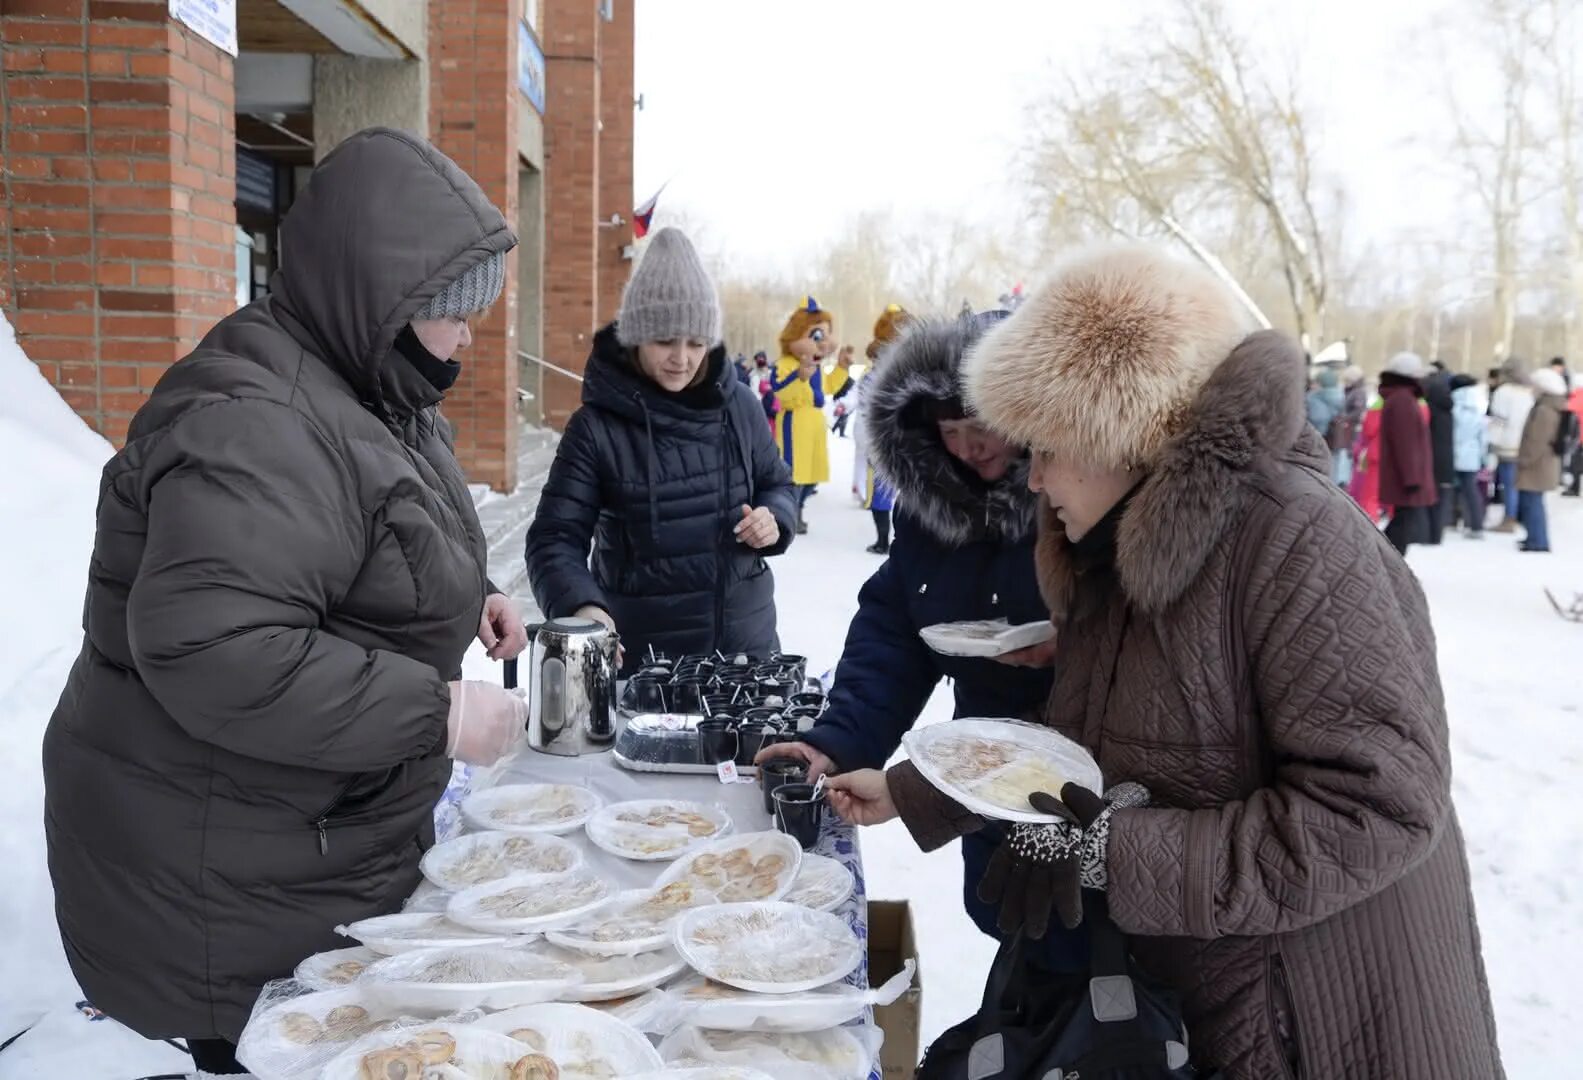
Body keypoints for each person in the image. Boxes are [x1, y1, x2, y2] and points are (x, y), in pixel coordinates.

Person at [826, 243, 1503, 1080]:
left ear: (1121, 432)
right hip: (1197, 1004)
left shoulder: (1297, 541)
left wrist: (1111, 848)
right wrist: (915, 791)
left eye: (1048, 447)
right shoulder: (1114, 544)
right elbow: (1081, 732)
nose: (1031, 479)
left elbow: (1377, 813)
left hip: (1318, 1019)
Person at [41, 129, 533, 1074]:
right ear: (379, 302)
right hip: (220, 860)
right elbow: (216, 648)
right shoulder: (257, 424)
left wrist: (470, 593)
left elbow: (364, 534)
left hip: (297, 827)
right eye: (450, 314)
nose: (467, 336)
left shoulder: (367, 385)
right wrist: (439, 711)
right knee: (263, 1056)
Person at [754, 311, 1077, 965]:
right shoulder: (933, 504)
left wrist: (1065, 652)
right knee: (1014, 940)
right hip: (980, 778)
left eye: (980, 425)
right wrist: (838, 741)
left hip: (1086, 789)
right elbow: (895, 632)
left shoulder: (1078, 498)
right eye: (948, 432)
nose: (966, 448)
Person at [524, 228, 797, 668]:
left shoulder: (740, 406)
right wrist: (583, 609)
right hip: (645, 664)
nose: (682, 358)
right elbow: (553, 540)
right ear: (636, 338)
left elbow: (777, 484)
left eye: (695, 343)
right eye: (665, 341)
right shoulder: (596, 429)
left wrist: (776, 518)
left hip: (746, 656)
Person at [772, 297, 837, 533]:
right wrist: (799, 377)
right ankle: (790, 513)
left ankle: (798, 508)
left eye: (826, 336)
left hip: (815, 424)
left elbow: (829, 388)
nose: (824, 343)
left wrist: (841, 369)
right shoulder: (786, 364)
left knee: (812, 475)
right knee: (794, 473)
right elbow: (781, 394)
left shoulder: (817, 366)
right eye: (817, 336)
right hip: (795, 424)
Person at [852, 306, 910, 554]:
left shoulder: (898, 371)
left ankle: (886, 541)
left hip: (892, 438)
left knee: (887, 493)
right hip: (891, 438)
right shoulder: (884, 374)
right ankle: (887, 540)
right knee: (892, 493)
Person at [1377, 352, 1438, 555]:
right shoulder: (1403, 399)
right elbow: (1406, 442)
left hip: (1404, 474)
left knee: (1403, 523)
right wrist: (1412, 477)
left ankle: (1389, 568)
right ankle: (1389, 568)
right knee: (1402, 526)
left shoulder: (1400, 397)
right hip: (1407, 476)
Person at [1514, 366, 1571, 552]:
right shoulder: (1552, 406)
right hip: (1543, 462)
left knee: (1532, 502)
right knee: (1533, 501)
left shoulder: (1544, 410)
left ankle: (1537, 540)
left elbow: (1536, 440)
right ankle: (1535, 537)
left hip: (1537, 464)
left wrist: (1524, 459)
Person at [1488, 358, 1535, 532]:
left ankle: (1509, 518)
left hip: (1506, 443)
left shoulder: (1503, 392)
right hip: (1524, 443)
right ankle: (1517, 516)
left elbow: (1499, 421)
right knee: (1517, 483)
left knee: (1508, 484)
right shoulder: (1527, 392)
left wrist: (1492, 442)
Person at [1451, 373, 1490, 536]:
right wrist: (1483, 458)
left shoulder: (1452, 407)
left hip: (1453, 453)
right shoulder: (1477, 408)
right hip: (1471, 455)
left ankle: (1451, 520)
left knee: (1450, 490)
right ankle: (1476, 525)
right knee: (1472, 491)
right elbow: (1483, 437)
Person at [1423, 365, 1457, 543]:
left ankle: (1430, 534)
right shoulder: (1448, 410)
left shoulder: (1431, 411)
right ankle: (1436, 534)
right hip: (1446, 458)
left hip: (1432, 457)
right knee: (1441, 498)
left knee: (1431, 497)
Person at [828, 344, 856, 436]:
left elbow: (829, 386)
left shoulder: (851, 380)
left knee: (843, 417)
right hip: (839, 402)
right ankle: (835, 429)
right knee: (842, 417)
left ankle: (838, 430)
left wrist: (842, 367)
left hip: (841, 402)